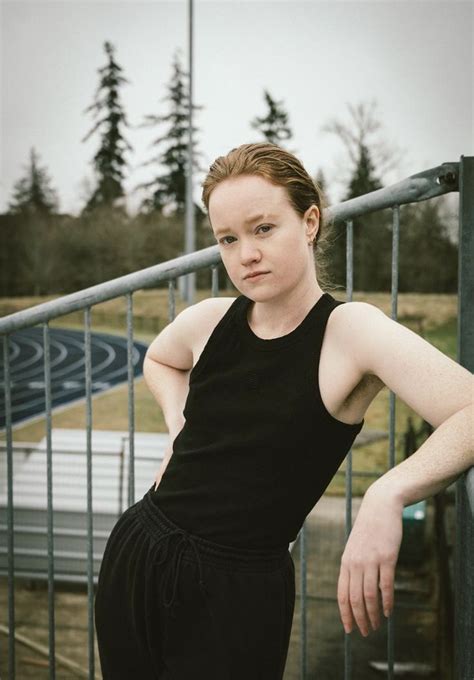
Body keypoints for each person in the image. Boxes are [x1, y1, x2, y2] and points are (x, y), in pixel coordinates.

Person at [94, 142, 473, 679]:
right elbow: (160, 359)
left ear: (310, 221)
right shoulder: (210, 319)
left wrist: (389, 492)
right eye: (228, 239)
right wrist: (179, 424)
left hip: (237, 589)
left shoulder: (351, 333)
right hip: (139, 553)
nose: (245, 252)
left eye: (263, 228)